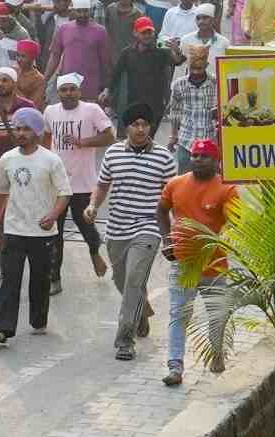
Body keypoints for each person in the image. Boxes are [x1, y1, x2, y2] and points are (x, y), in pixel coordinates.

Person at [86, 103, 176, 361]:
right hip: (117, 228)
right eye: (135, 124)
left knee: (134, 280)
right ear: (126, 128)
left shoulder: (163, 157)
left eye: (145, 124)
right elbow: (102, 185)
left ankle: (125, 340)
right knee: (121, 281)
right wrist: (93, 206)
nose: (140, 129)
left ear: (150, 127)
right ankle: (141, 310)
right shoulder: (113, 153)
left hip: (148, 227)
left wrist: (173, 232)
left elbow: (173, 196)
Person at [157, 139, 236, 386]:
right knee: (178, 314)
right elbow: (161, 210)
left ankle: (216, 355)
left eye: (204, 156)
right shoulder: (175, 184)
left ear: (216, 161)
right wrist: (167, 240)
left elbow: (235, 222)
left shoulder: (227, 188)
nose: (198, 160)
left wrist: (225, 239)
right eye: (194, 155)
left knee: (217, 315)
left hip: (214, 267)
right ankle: (175, 366)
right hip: (183, 264)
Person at [0, 107, 70, 343]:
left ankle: (38, 320)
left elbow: (64, 193)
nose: (21, 133)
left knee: (40, 280)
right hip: (14, 230)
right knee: (10, 281)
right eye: (18, 129)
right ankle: (3, 328)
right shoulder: (7, 159)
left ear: (37, 131)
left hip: (43, 233)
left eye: (26, 129)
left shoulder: (51, 160)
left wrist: (53, 215)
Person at [41, 73, 114, 293]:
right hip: (57, 183)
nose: (68, 93)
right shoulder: (50, 111)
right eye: (64, 90)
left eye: (72, 89)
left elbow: (109, 136)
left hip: (83, 182)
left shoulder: (91, 110)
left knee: (86, 225)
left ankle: (94, 253)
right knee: (55, 232)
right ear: (58, 92)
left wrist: (82, 141)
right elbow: (46, 138)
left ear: (79, 91)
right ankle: (54, 278)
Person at [103, 18, 173, 134]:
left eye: (149, 32)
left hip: (155, 105)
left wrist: (175, 51)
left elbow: (177, 61)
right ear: (135, 33)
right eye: (143, 33)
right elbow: (116, 74)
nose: (147, 36)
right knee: (134, 137)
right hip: (133, 103)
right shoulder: (127, 53)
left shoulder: (161, 51)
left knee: (149, 137)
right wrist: (107, 90)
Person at [44, 0, 113, 100]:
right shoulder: (63, 29)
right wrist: (45, 79)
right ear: (73, 11)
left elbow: (105, 61)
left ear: (89, 11)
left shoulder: (100, 31)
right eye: (79, 11)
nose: (82, 14)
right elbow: (55, 56)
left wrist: (107, 87)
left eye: (85, 11)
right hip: (67, 86)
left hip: (91, 86)